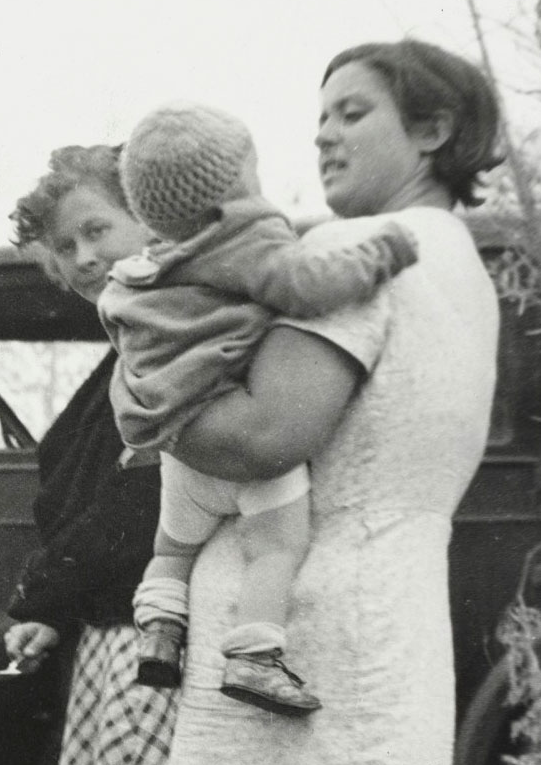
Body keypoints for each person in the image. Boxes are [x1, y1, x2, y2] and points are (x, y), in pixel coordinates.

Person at [143, 40, 503, 765]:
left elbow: (257, 438)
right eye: (319, 117)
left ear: (435, 132)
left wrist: (141, 388)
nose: (326, 136)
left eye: (355, 113)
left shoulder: (366, 266)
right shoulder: (455, 259)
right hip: (372, 612)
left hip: (316, 626)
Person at [101, 102, 419, 716]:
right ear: (239, 180)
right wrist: (385, 253)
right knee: (276, 550)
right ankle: (254, 657)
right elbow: (307, 286)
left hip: (180, 454)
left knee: (172, 550)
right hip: (244, 448)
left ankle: (161, 633)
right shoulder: (243, 240)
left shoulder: (137, 272)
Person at [0, 147, 174, 765]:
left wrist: (47, 590)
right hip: (119, 647)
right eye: (68, 249)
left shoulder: (173, 333)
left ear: (149, 217)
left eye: (98, 230)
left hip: (160, 645)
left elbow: (134, 500)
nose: (85, 258)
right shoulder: (128, 343)